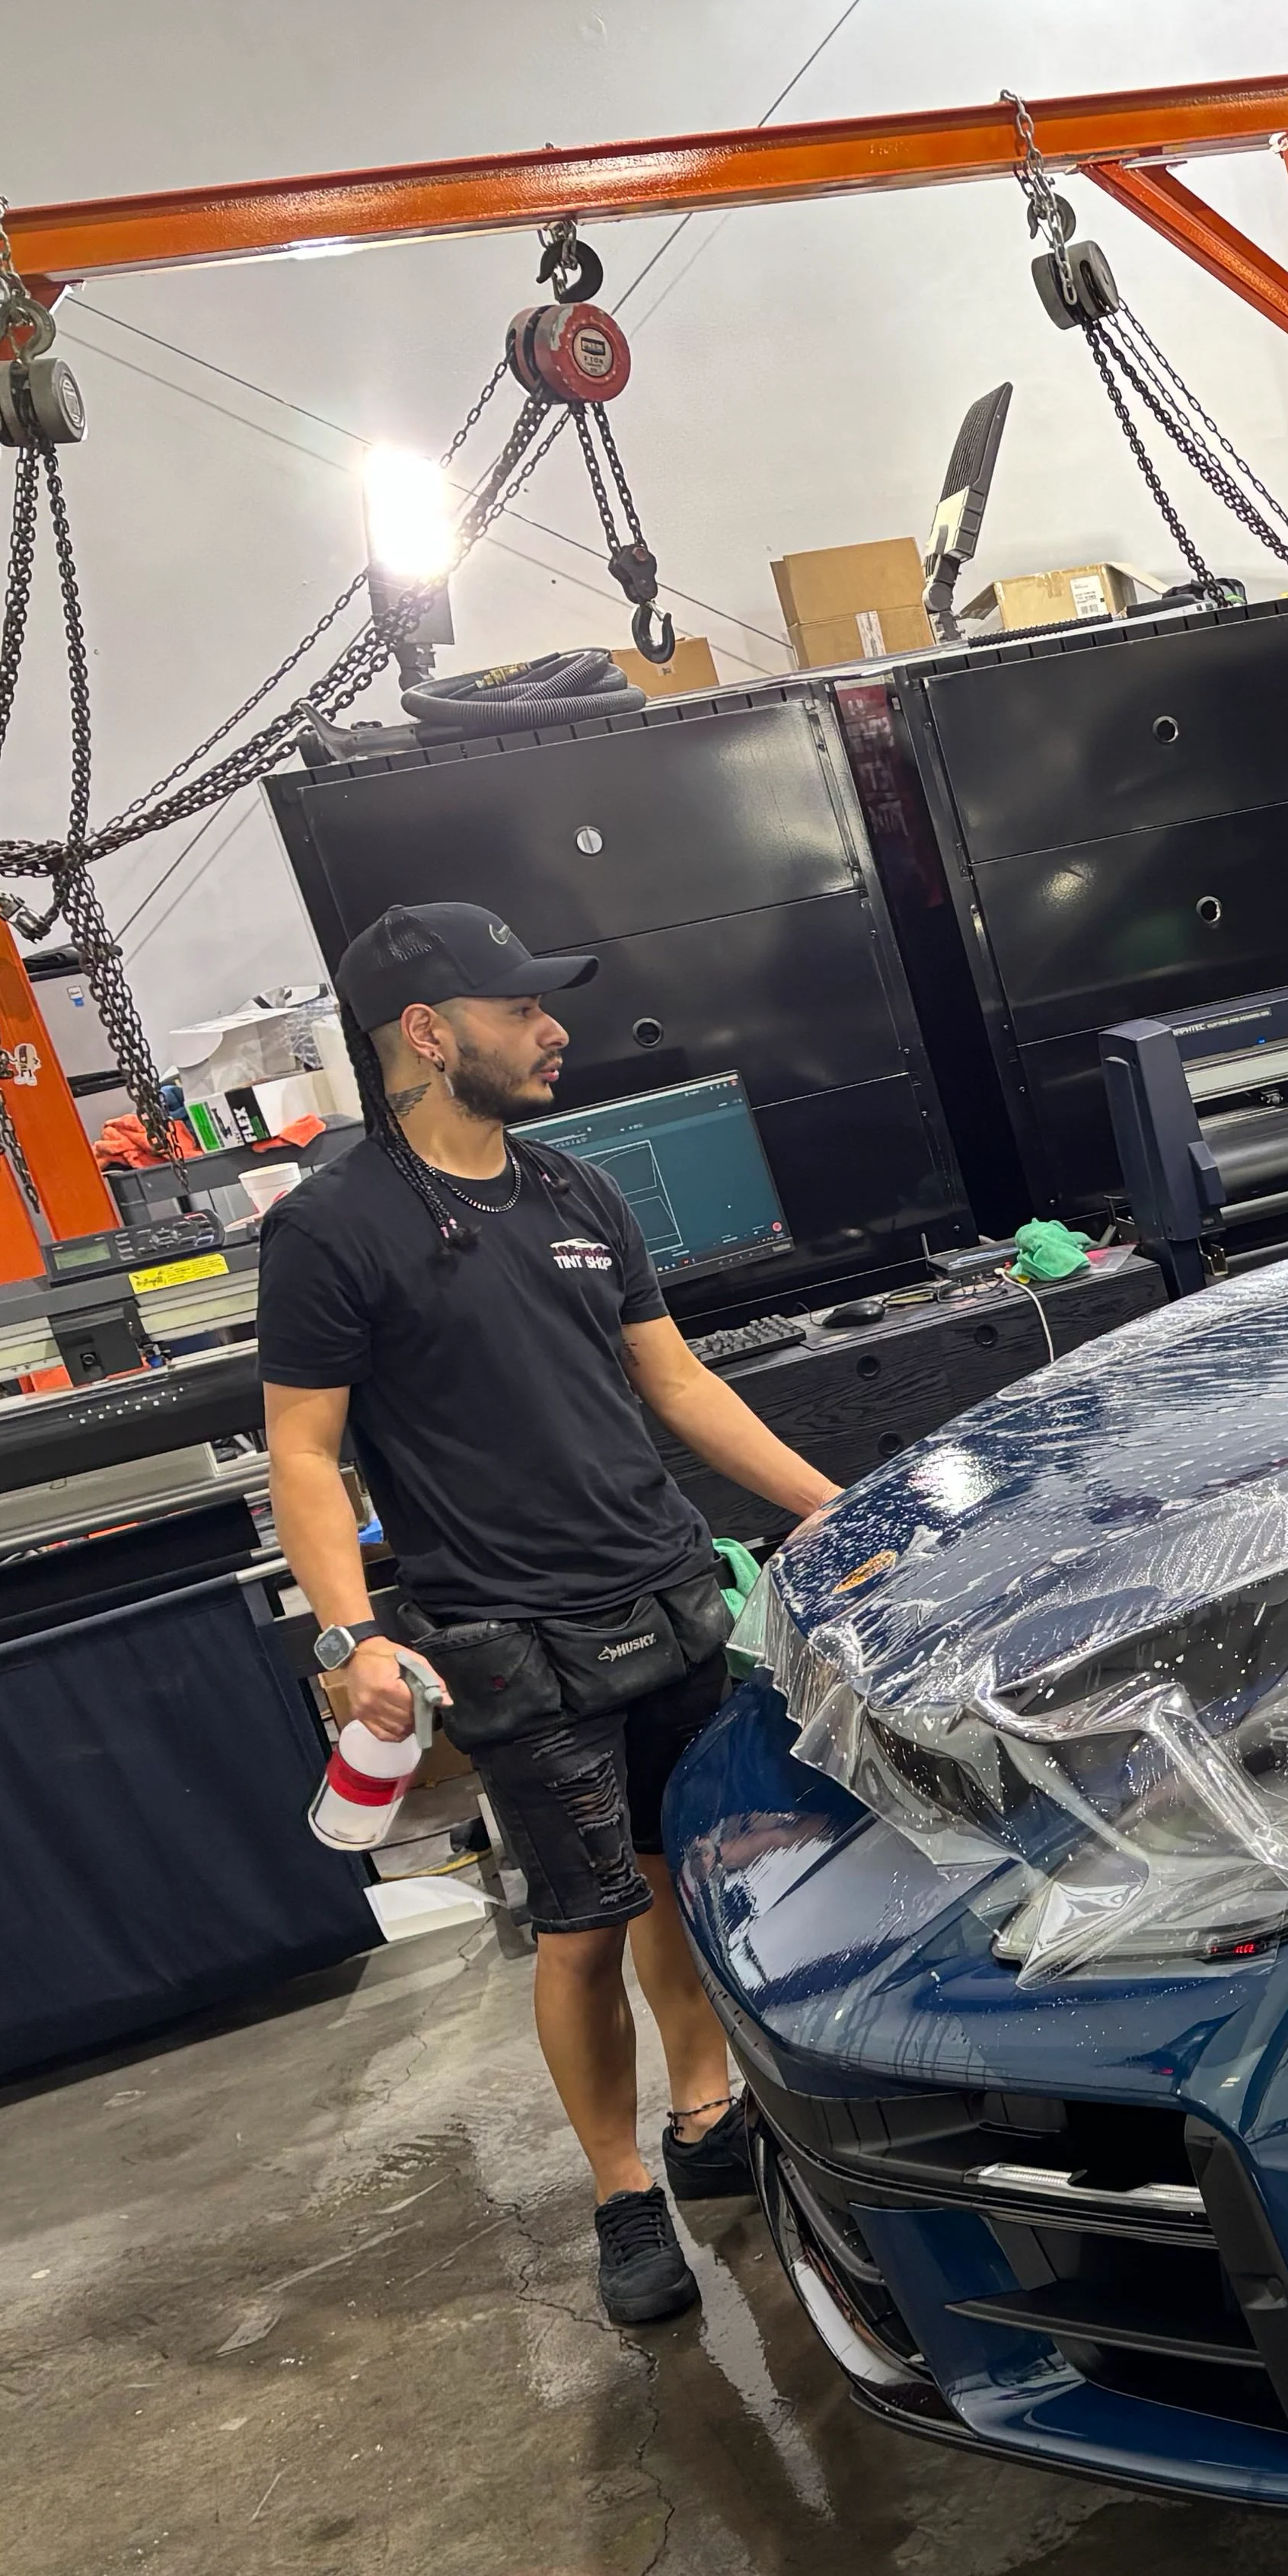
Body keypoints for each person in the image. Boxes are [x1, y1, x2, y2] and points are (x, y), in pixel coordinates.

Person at [258, 903, 843, 2328]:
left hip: (664, 1596)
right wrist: (351, 1637)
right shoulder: (336, 1227)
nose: (552, 1027)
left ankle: (706, 2120)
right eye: (519, 1007)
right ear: (427, 1030)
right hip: (514, 1636)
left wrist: (831, 1506)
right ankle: (619, 2190)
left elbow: (679, 1383)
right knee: (583, 1918)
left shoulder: (579, 1193)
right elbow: (303, 1452)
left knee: (682, 1873)